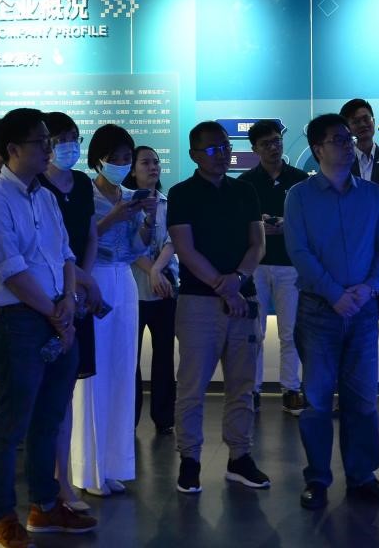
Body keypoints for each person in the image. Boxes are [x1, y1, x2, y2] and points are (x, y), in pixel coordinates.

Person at [0, 108, 97, 546]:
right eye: (41, 142)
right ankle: (0, 517)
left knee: (50, 417)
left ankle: (44, 505)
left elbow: (65, 255)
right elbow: (12, 273)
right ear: (13, 149)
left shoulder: (44, 196)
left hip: (58, 315)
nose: (49, 149)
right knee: (11, 425)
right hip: (20, 323)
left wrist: (67, 303)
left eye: (50, 141)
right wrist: (56, 313)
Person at [283, 113, 379, 509]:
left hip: (363, 310)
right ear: (317, 149)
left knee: (362, 400)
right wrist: (334, 294)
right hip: (319, 311)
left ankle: (362, 476)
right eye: (338, 140)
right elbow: (299, 251)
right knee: (317, 401)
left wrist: (370, 287)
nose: (348, 145)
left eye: (348, 139)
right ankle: (317, 479)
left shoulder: (372, 194)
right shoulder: (299, 196)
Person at [166, 121, 269, 494]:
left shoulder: (245, 190)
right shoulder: (181, 193)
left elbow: (258, 244)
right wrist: (224, 288)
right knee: (192, 387)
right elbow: (185, 249)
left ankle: (240, 457)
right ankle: (190, 459)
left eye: (225, 146)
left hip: (244, 299)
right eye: (211, 149)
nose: (221, 154)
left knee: (242, 386)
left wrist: (238, 280)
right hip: (199, 303)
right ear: (194, 154)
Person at [72, 124, 154, 496]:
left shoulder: (130, 195)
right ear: (98, 159)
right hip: (95, 278)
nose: (122, 164)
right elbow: (81, 240)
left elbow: (137, 249)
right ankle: (88, 470)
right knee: (94, 374)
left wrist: (148, 219)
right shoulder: (85, 193)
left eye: (126, 157)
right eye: (115, 157)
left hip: (125, 281)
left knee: (123, 370)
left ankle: (114, 464)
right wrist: (114, 217)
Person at [37, 112, 101, 512]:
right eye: (61, 139)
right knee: (48, 398)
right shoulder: (35, 187)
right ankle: (50, 486)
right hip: (48, 297)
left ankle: (64, 481)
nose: (69, 146)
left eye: (74, 137)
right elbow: (47, 250)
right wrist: (79, 284)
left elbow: (89, 235)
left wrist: (82, 282)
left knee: (67, 391)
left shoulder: (81, 182)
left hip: (76, 295)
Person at [236, 119, 309, 415]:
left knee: (290, 332)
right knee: (254, 332)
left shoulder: (300, 179)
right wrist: (260, 227)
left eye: (276, 141)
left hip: (290, 266)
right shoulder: (245, 183)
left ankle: (291, 388)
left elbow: (308, 223)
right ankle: (252, 389)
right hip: (255, 266)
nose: (273, 147)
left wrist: (285, 225)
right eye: (266, 143)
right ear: (254, 148)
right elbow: (238, 225)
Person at [124, 145, 179, 435]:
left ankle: (164, 417)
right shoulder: (125, 203)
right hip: (133, 290)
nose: (153, 167)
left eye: (156, 162)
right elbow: (129, 246)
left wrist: (158, 270)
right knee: (130, 358)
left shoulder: (168, 203)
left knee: (164, 356)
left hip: (164, 290)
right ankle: (129, 418)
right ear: (133, 170)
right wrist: (152, 270)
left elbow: (173, 240)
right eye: (145, 162)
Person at [340, 98, 379, 187]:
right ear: (347, 128)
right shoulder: (341, 162)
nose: (362, 124)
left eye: (366, 119)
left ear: (373, 121)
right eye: (356, 121)